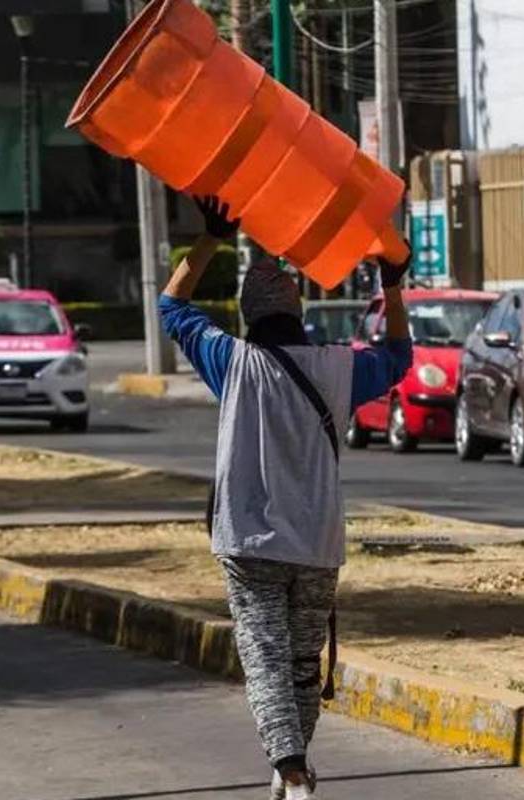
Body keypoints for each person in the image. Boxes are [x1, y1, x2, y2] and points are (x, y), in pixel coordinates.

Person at [159, 196, 413, 800]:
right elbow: (400, 356)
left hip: (249, 542)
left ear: (249, 316)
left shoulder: (231, 360)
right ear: (297, 311)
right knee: (301, 663)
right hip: (317, 544)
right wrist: (392, 285)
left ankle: (292, 771)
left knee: (265, 657)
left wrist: (211, 237)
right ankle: (291, 768)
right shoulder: (339, 367)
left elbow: (172, 307)